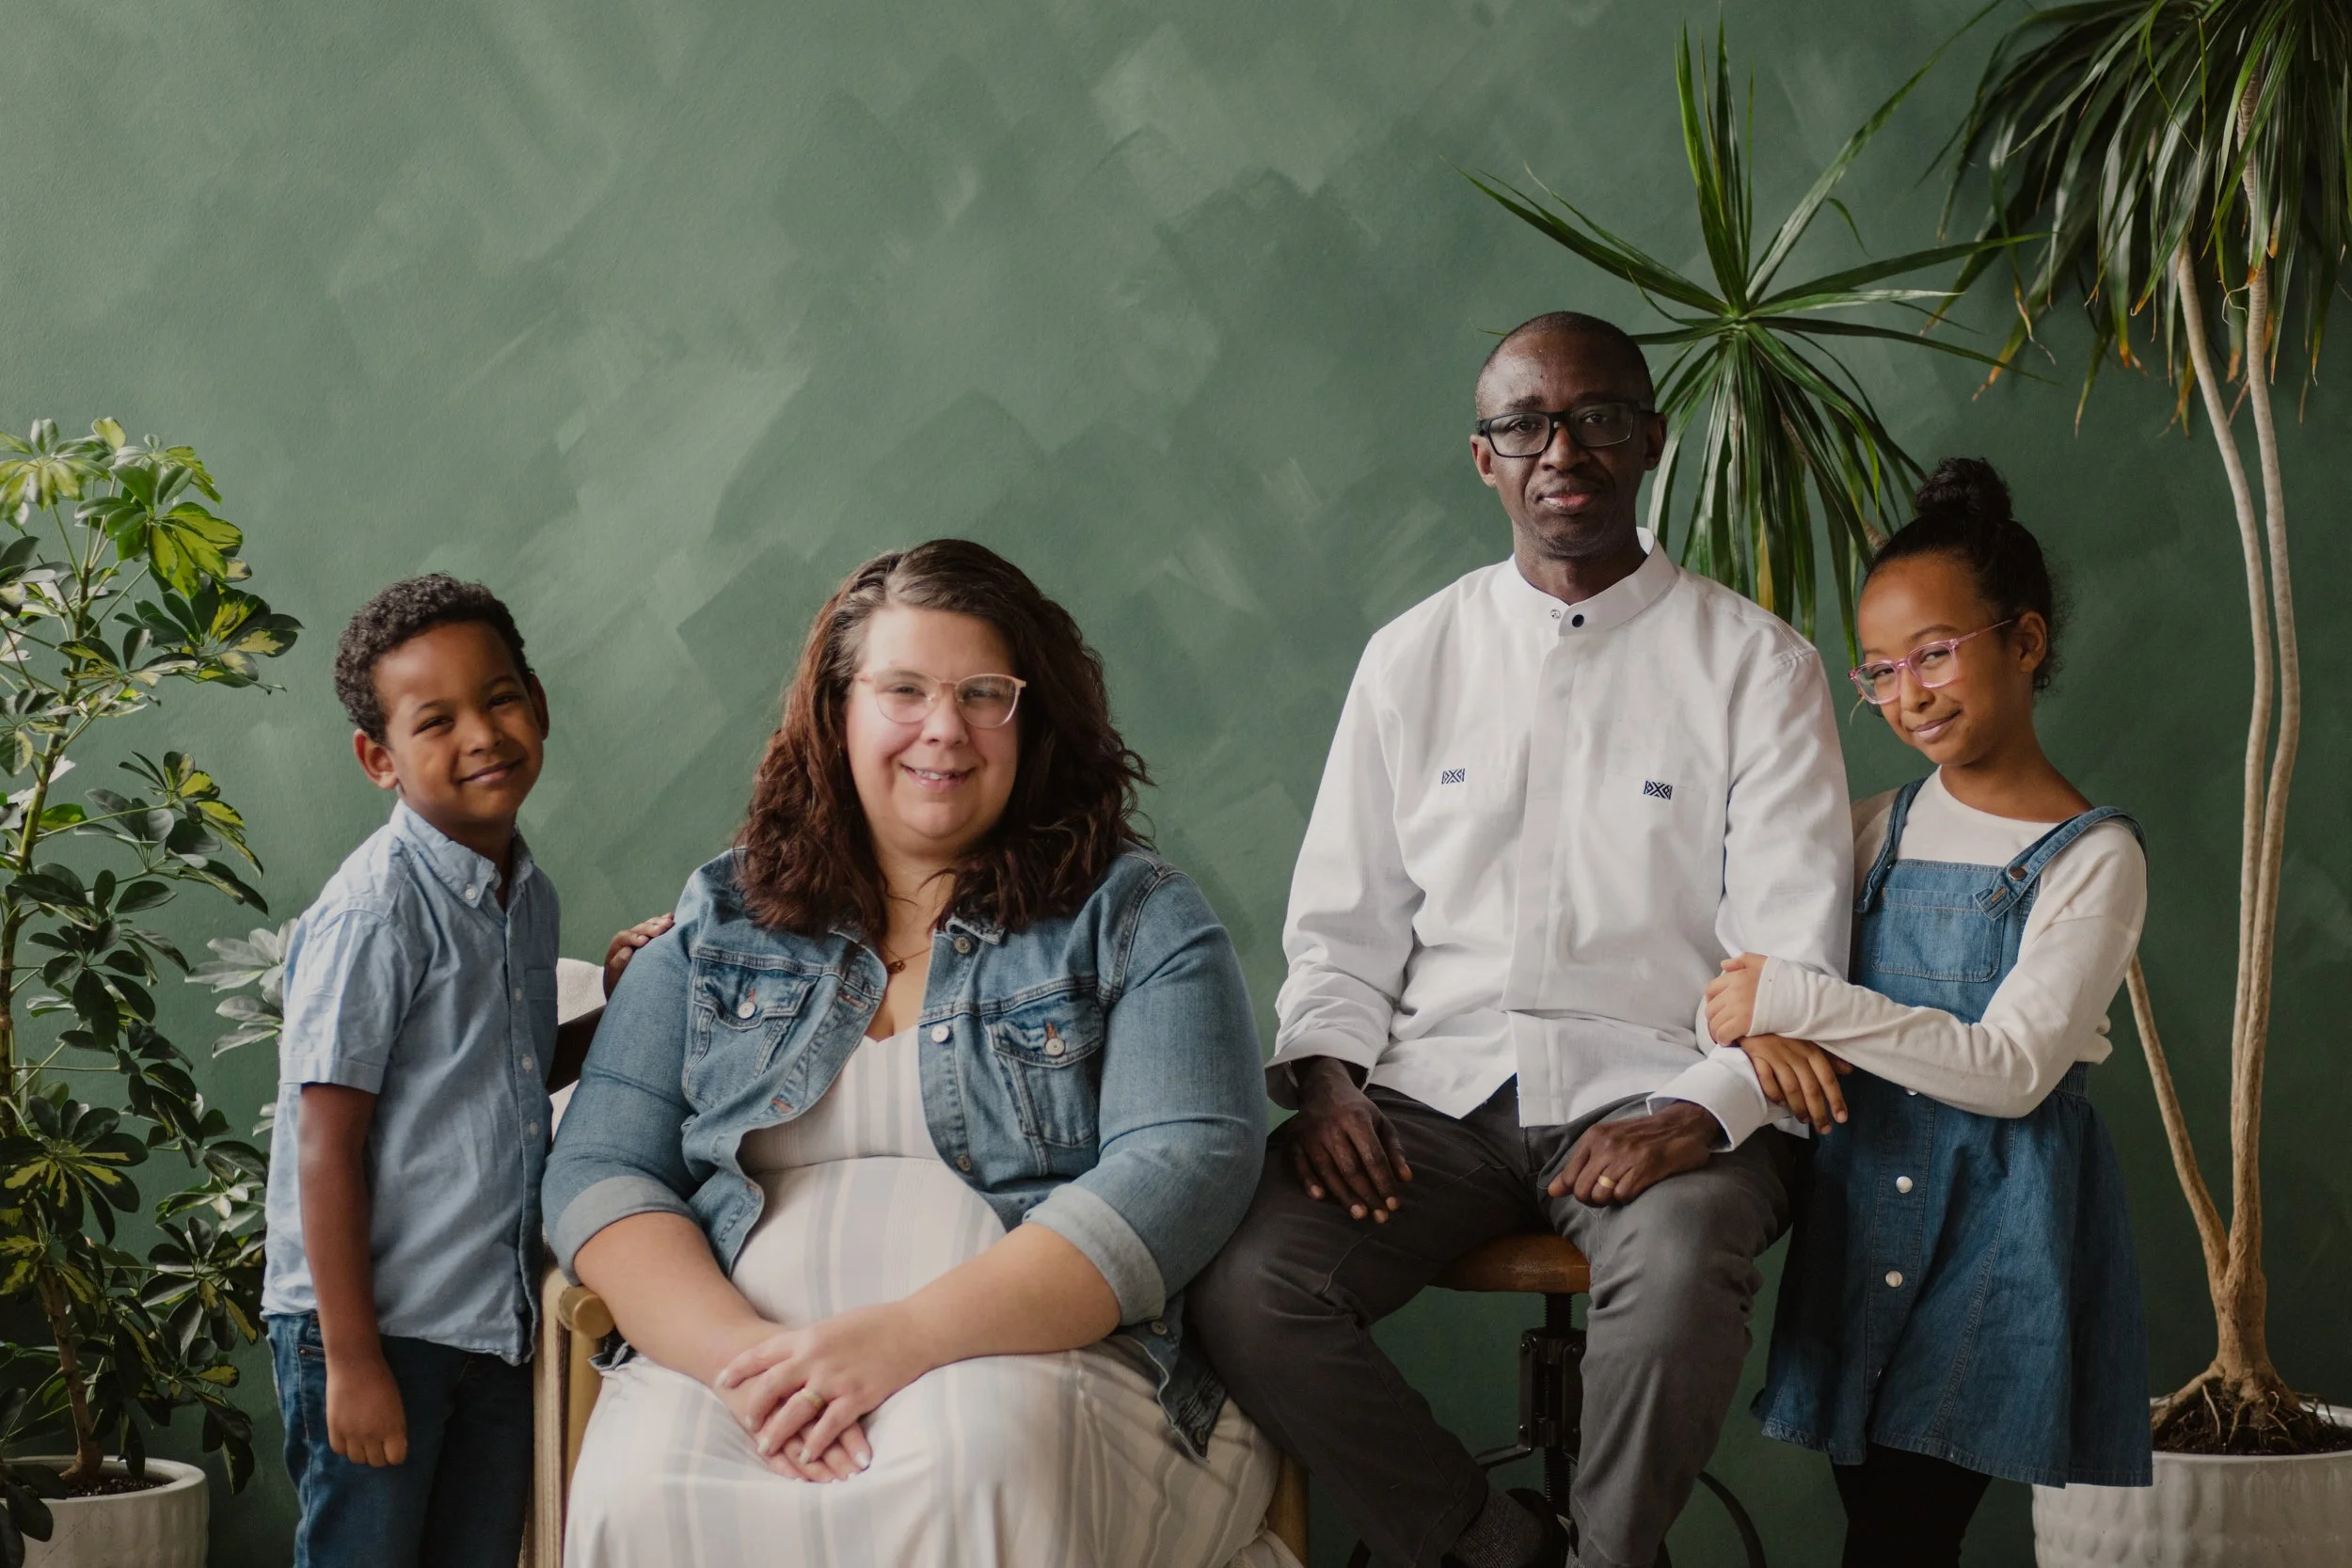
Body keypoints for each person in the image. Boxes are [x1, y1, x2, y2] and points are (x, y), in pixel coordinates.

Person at [1188, 311, 1854, 1568]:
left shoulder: (1757, 666)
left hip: (1661, 1096)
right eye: (1525, 424)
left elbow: (1791, 957)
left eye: (1598, 416)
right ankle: (1492, 1548)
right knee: (1245, 1281)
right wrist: (1328, 1078)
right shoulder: (1411, 658)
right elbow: (1344, 922)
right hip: (1434, 1105)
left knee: (1680, 1265)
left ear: (1650, 440)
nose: (1564, 450)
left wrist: (1697, 1111)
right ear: (1483, 457)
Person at [541, 539, 1291, 1568]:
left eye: (984, 691)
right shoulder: (723, 914)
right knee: (639, 1494)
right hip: (744, 1361)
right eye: (903, 689)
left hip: (1028, 1352)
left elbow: (1186, 1157)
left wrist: (894, 1341)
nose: (944, 727)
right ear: (837, 710)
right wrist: (750, 1363)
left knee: (972, 1475)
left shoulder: (1136, 918)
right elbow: (601, 1164)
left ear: (1031, 720)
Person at [1705, 458, 2153, 1568]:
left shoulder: (2093, 857)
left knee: (1908, 1526)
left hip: (1992, 1230)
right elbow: (1737, 967)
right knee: (1880, 1520)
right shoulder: (1870, 827)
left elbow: (2010, 1069)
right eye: (1881, 671)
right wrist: (1764, 1021)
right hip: (1858, 1218)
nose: (1909, 693)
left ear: (2025, 641)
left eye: (1936, 654)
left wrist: (1800, 998)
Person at [262, 574, 671, 1568]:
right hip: (374, 1328)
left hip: (488, 1328)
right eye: (435, 720)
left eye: (498, 698)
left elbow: (506, 1072)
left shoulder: (525, 894)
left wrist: (614, 1001)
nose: (481, 734)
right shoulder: (377, 913)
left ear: (538, 701)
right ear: (379, 758)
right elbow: (325, 1142)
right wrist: (353, 1362)